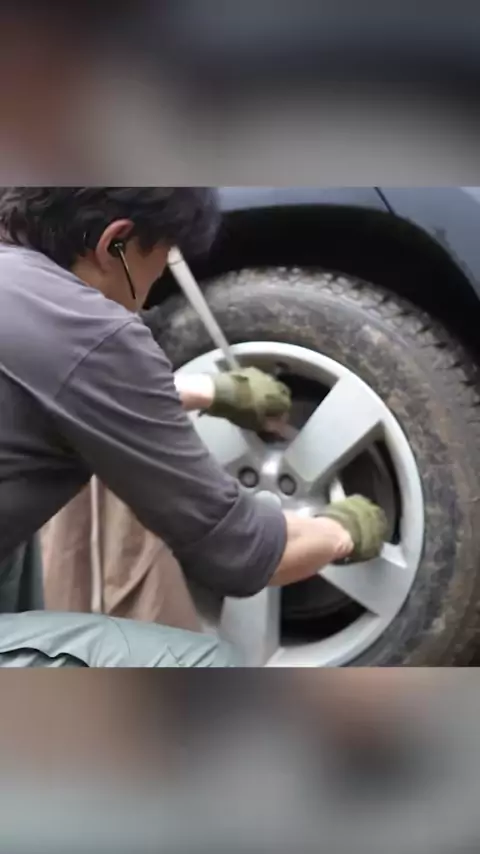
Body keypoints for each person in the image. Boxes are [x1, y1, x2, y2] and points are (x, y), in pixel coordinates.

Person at [0, 187, 387, 667]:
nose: (151, 288)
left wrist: (211, 391)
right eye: (159, 263)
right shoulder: (89, 329)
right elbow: (241, 552)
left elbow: (62, 382)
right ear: (114, 243)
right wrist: (342, 530)